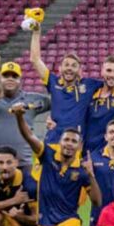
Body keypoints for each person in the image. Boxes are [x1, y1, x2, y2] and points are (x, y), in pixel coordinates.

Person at [12, 103, 102, 226]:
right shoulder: (47, 155)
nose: (69, 144)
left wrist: (91, 175)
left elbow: (97, 201)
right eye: (66, 140)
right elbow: (29, 137)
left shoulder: (82, 172)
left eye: (74, 141)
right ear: (60, 141)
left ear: (79, 146)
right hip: (46, 224)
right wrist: (19, 117)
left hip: (68, 220)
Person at [28, 15, 104, 144]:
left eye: (74, 66)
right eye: (66, 65)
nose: (69, 68)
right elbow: (35, 60)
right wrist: (36, 33)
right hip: (53, 140)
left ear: (80, 70)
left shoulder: (89, 85)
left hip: (75, 142)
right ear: (60, 68)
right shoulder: (53, 82)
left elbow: (112, 81)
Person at [0, 61, 50, 170]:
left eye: (14, 76)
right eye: (5, 76)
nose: (10, 79)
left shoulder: (33, 99)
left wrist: (53, 119)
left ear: (20, 80)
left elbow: (59, 103)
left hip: (24, 164)